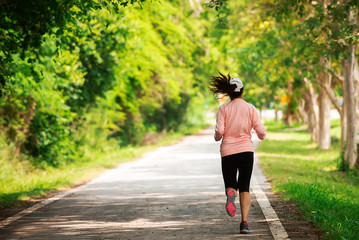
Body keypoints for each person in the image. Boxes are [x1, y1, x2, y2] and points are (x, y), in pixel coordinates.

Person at [209, 72, 266, 234]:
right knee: (245, 187)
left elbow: (219, 131)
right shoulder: (250, 108)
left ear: (229, 93)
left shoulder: (223, 109)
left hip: (228, 152)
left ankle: (230, 195)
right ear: (242, 91)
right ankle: (244, 223)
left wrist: (216, 137)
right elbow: (261, 131)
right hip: (246, 151)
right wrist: (262, 134)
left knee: (231, 184)